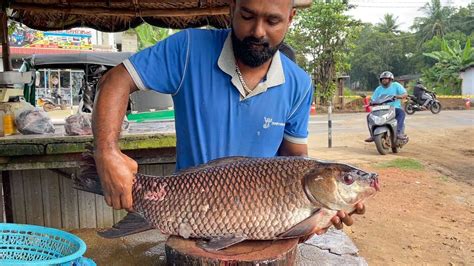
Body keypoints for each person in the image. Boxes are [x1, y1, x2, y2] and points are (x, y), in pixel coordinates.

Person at [93, 0, 364, 236]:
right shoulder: (188, 50)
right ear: (232, 8)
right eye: (247, 16)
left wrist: (326, 204)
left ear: (290, 18)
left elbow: (295, 158)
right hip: (187, 219)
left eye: (272, 20)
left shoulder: (299, 83)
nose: (258, 31)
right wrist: (106, 152)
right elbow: (115, 81)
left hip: (266, 228)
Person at [365, 71, 408, 142]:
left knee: (401, 113)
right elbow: (373, 99)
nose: (384, 80)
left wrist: (399, 96)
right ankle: (372, 135)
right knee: (369, 116)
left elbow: (405, 94)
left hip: (394, 108)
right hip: (381, 109)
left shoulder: (396, 85)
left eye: (386, 78)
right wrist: (371, 102)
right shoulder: (378, 89)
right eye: (382, 79)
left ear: (390, 79)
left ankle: (399, 133)